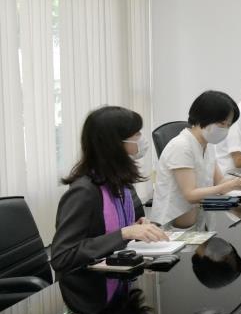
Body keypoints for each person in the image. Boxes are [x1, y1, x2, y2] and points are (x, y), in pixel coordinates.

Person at [51, 106, 168, 272]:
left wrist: (138, 227)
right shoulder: (83, 192)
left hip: (117, 272)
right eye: (136, 134)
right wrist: (124, 233)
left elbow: (115, 229)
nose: (141, 139)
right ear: (115, 143)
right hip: (87, 283)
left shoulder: (120, 182)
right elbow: (62, 256)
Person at [152, 91, 241, 228]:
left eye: (228, 125)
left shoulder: (207, 145)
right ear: (204, 117)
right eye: (222, 123)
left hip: (196, 223)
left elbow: (220, 182)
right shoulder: (181, 146)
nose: (225, 130)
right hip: (172, 230)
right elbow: (191, 195)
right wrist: (230, 185)